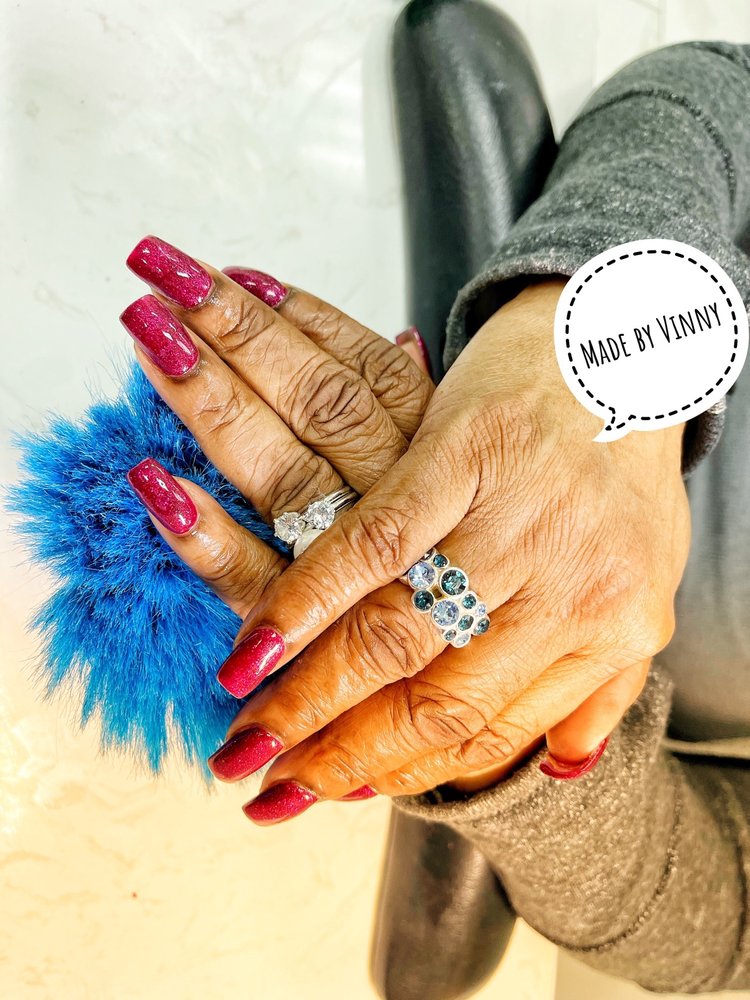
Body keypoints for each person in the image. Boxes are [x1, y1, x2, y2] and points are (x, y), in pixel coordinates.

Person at [120, 39, 750, 995]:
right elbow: (720, 94)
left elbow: (693, 916)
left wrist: (492, 737)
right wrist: (607, 345)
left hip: (600, 660)